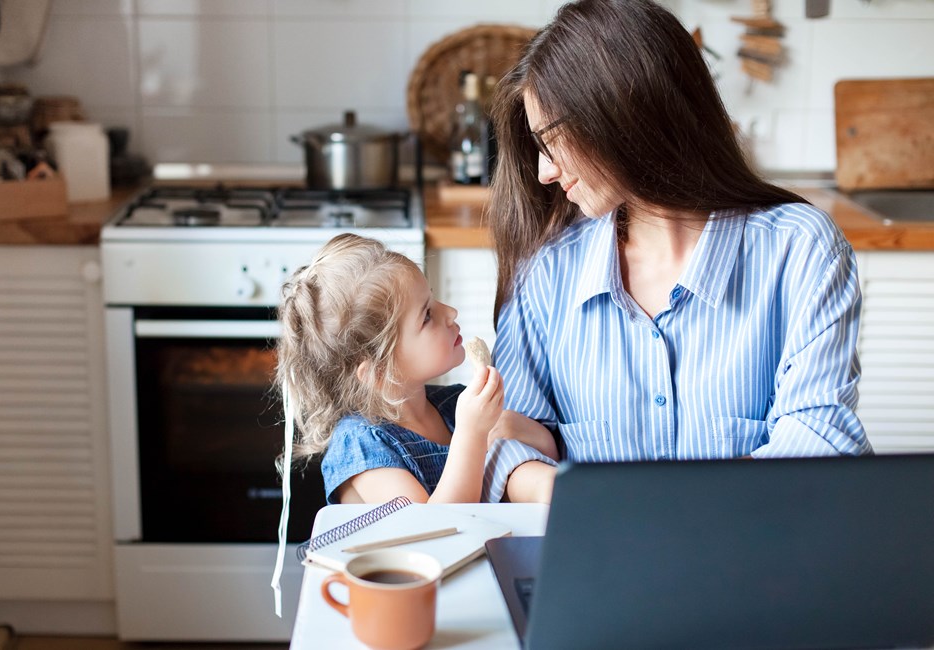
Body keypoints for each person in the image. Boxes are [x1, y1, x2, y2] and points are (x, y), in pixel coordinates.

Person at [480, 0, 872, 499]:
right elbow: (504, 442)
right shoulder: (547, 272)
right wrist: (623, 510)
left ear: (624, 116)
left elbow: (820, 442)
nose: (545, 172)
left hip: (759, 560)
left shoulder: (800, 250)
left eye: (552, 140)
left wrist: (654, 512)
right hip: (596, 560)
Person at [276, 233, 556, 506]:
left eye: (433, 299)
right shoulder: (362, 445)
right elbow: (430, 531)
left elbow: (546, 452)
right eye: (427, 316)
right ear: (379, 370)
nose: (450, 312)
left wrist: (514, 426)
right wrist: (471, 434)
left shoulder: (453, 405)